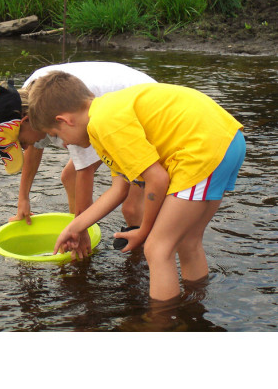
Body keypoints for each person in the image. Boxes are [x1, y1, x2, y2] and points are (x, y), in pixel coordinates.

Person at [28, 72, 246, 302]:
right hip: (225, 140)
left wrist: (144, 230)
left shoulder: (105, 123)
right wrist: (76, 226)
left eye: (56, 135)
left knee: (156, 249)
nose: (64, 144)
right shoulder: (107, 116)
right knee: (187, 240)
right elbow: (119, 189)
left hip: (203, 149)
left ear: (64, 120)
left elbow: (157, 180)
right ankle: (194, 307)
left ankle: (161, 324)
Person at [0, 62, 156, 237]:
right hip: (116, 111)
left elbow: (84, 173)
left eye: (21, 143)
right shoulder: (22, 102)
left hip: (144, 111)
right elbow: (34, 149)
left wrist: (79, 233)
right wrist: (23, 199)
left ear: (25, 122)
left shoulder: (68, 114)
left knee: (131, 209)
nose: (24, 147)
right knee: (69, 177)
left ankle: (138, 247)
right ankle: (82, 228)